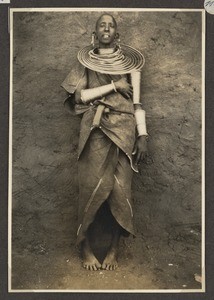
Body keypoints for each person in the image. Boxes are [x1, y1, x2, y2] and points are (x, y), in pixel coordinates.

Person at [61, 13, 148, 271]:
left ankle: (113, 249)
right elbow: (80, 97)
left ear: (117, 34)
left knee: (121, 190)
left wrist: (142, 134)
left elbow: (137, 103)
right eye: (102, 25)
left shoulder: (132, 65)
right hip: (96, 128)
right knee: (90, 187)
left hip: (124, 130)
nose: (106, 29)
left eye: (111, 26)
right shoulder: (85, 62)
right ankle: (84, 246)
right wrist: (113, 86)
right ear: (95, 33)